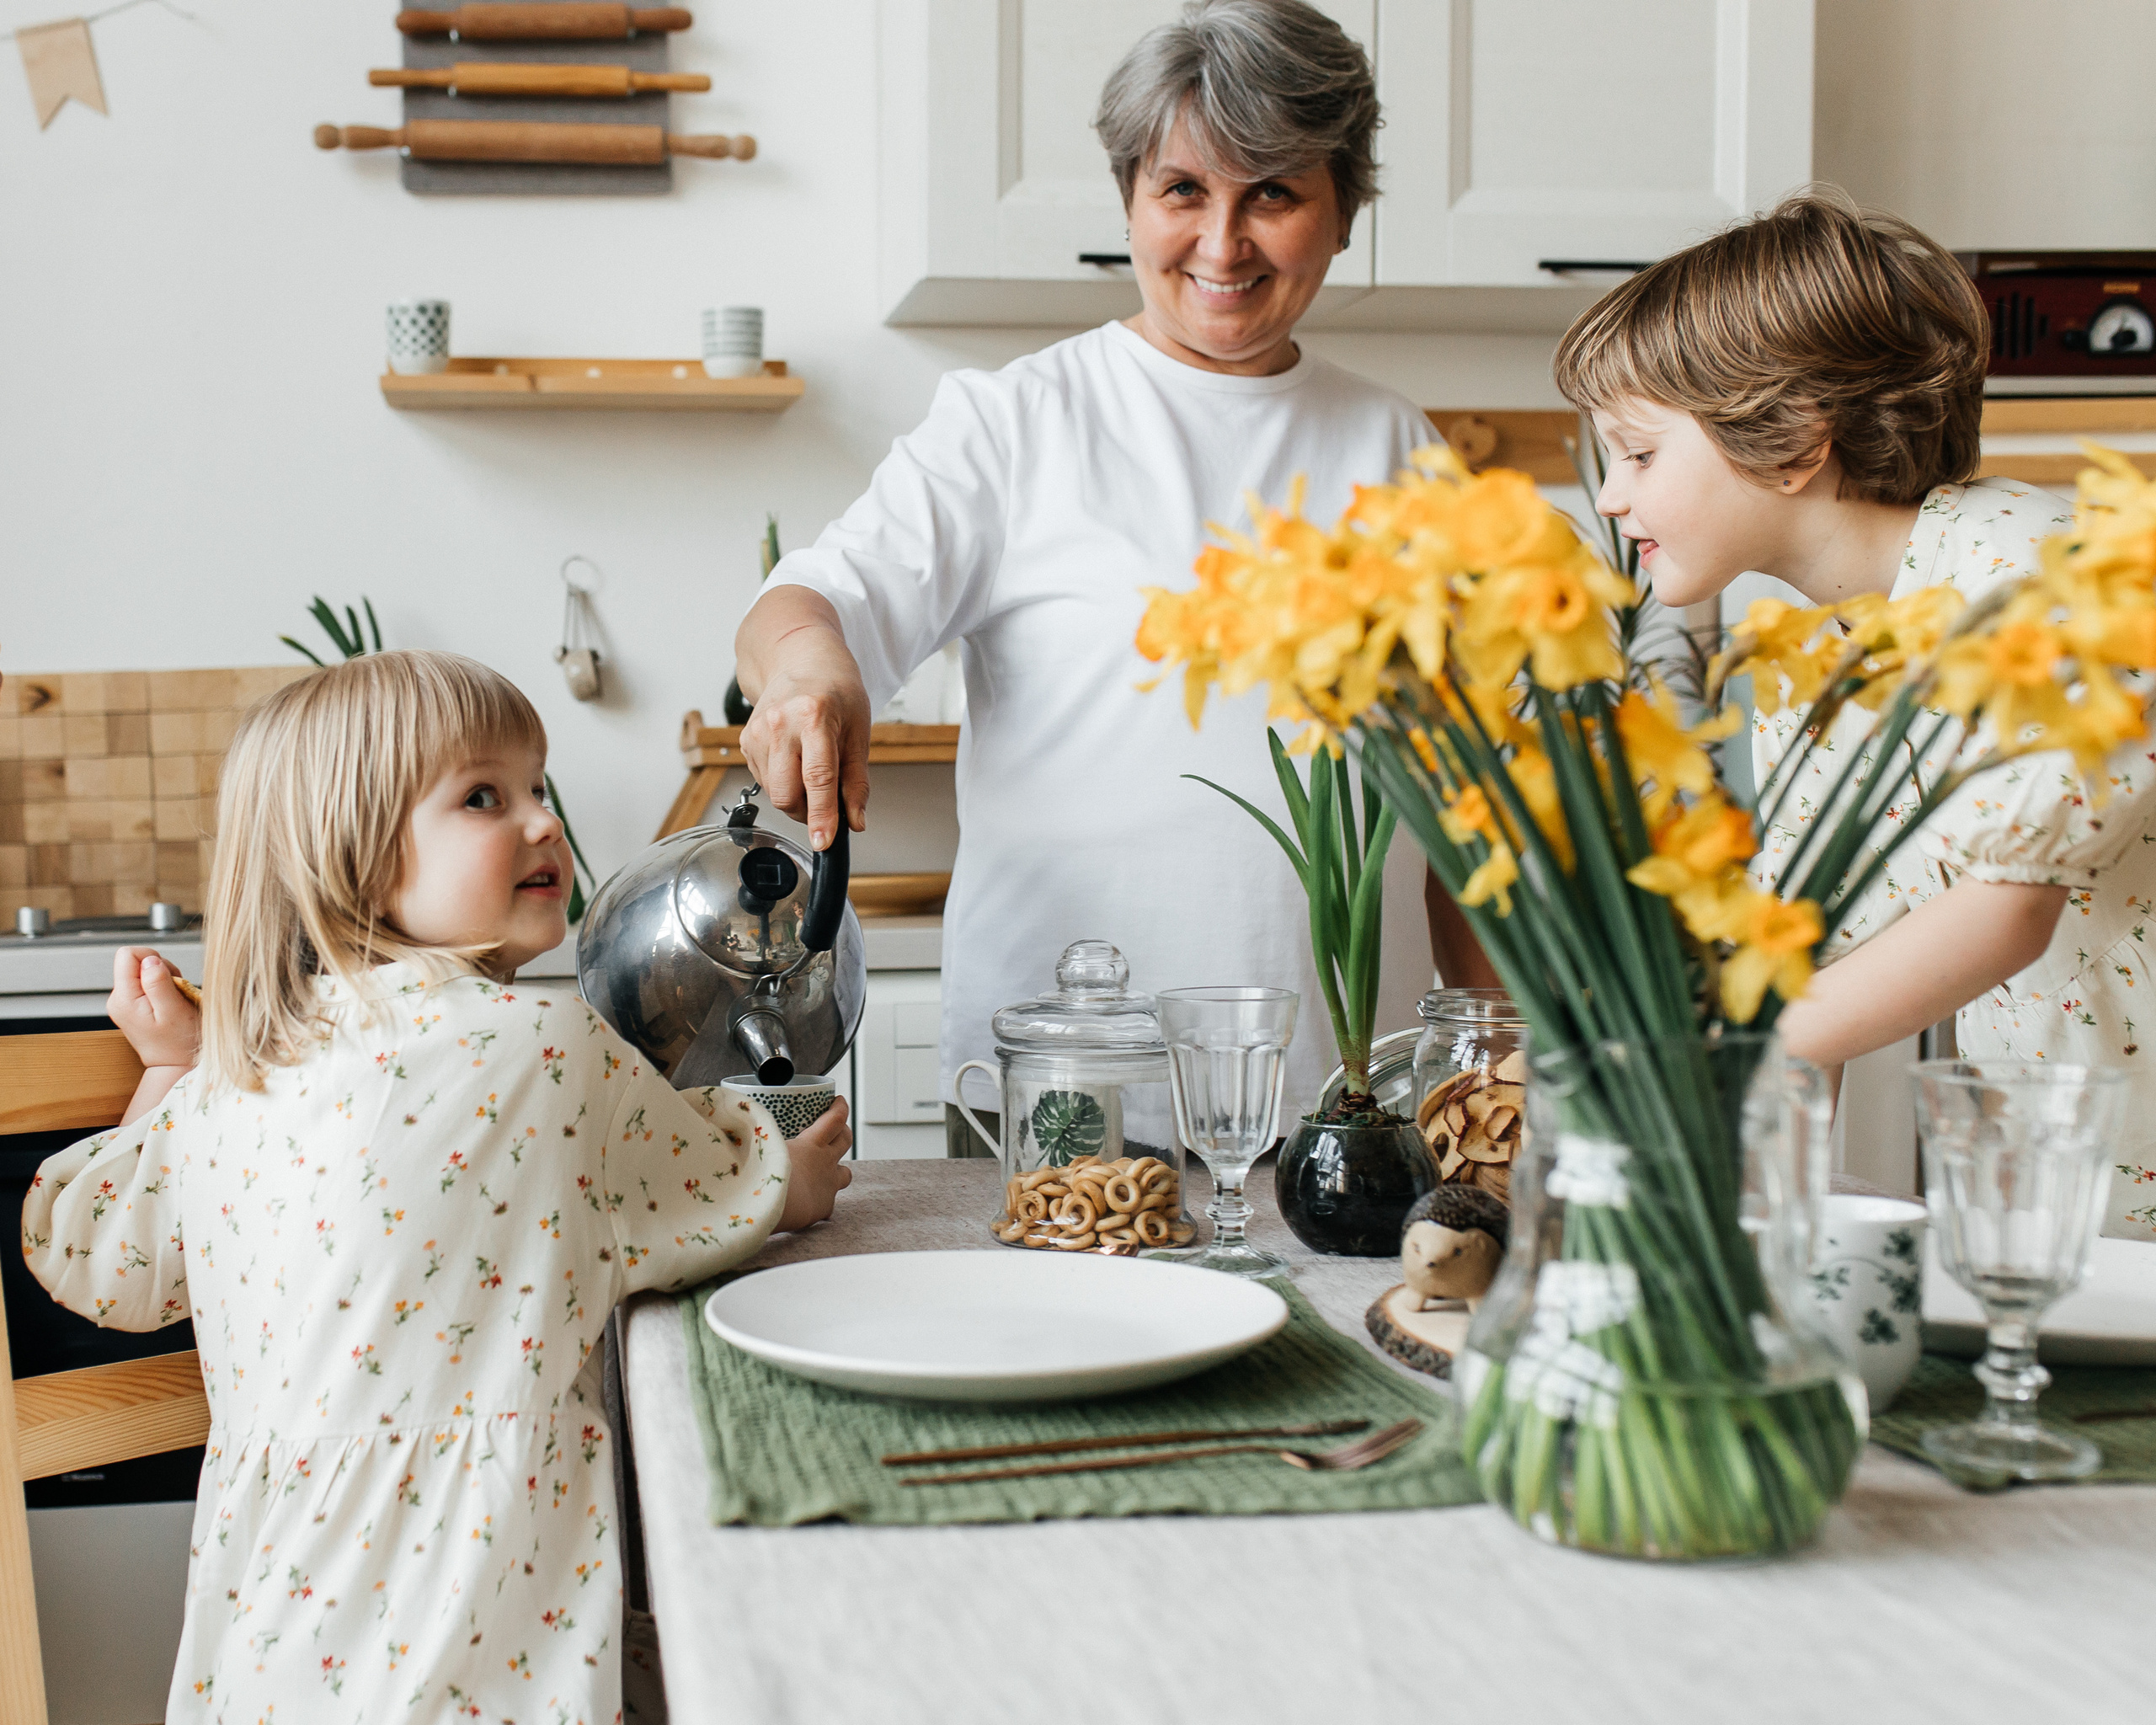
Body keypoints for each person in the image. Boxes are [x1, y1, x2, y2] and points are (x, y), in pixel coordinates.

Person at [20, 650, 854, 1722]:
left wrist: (173, 1071)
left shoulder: (241, 1077)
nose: (545, 821)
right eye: (483, 796)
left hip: (269, 1654)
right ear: (353, 857)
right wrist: (792, 1175)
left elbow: (98, 1255)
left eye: (536, 785)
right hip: (479, 1635)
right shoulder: (547, 1046)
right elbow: (724, 1179)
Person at [734, 0, 1454, 1146]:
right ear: (1129, 196)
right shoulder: (1016, 422)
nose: (1223, 244)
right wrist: (809, 672)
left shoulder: (1401, 449)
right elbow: (814, 602)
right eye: (1184, 191)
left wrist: (1490, 1058)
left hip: (1348, 1102)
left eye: (1272, 192)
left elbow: (1460, 814)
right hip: (1061, 1093)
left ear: (1343, 210)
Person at [1556, 186, 2156, 1242]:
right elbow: (1808, 979)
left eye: (1639, 453)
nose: (1609, 496)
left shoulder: (2032, 570)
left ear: (1791, 441)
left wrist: (1726, 1045)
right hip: (2066, 1202)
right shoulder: (1816, 661)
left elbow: (2004, 910)